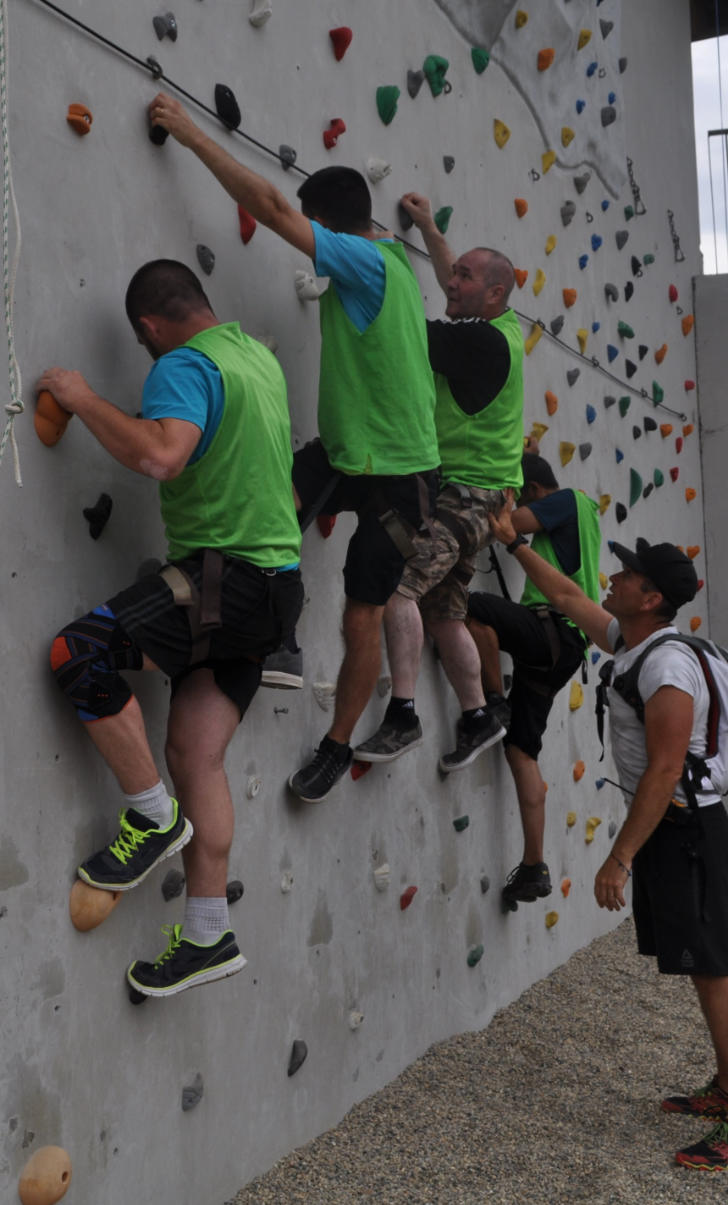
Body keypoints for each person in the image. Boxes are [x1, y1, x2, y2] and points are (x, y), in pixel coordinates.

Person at [148, 94, 439, 804]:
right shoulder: (393, 259)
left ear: (329, 226)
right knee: (271, 507)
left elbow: (275, 210)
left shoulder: (366, 261)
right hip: (347, 451)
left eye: (315, 230)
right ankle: (281, 638)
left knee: (362, 612)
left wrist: (189, 133)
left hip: (401, 475)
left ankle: (336, 745)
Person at [488, 505, 728, 1172]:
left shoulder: (666, 667)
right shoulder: (636, 644)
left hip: (686, 831)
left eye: (627, 575)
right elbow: (568, 598)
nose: (613, 578)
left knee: (715, 969)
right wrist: (515, 543)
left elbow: (665, 769)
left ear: (651, 599)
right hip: (673, 828)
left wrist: (618, 858)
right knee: (702, 964)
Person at [39, 260, 303, 997]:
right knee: (195, 755)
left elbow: (162, 454)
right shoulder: (256, 360)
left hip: (225, 582)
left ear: (150, 327)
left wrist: (82, 398)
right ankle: (208, 935)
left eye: (143, 341)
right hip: (276, 592)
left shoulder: (184, 365)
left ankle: (151, 817)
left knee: (76, 652)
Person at [354, 192, 523, 772]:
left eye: (464, 278)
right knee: (445, 612)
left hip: (467, 494)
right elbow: (461, 285)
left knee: (399, 585)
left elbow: (407, 327)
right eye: (455, 273)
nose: (451, 282)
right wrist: (427, 226)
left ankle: (403, 714)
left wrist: (379, 258)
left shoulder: (478, 342)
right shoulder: (502, 324)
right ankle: (477, 716)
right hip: (483, 495)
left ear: (494, 293)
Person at [466, 452, 600, 908]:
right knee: (521, 750)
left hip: (551, 629)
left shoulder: (566, 499)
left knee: (467, 607)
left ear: (536, 491)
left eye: (523, 497)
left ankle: (493, 701)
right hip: (566, 647)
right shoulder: (584, 516)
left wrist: (500, 494)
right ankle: (533, 865)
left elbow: (508, 522)